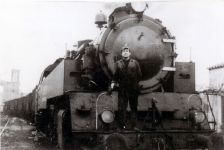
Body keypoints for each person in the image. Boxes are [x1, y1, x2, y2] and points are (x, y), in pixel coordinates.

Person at [109, 45, 142, 130]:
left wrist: (134, 84)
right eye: (124, 51)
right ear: (121, 53)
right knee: (122, 108)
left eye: (127, 51)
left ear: (130, 53)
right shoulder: (118, 63)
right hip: (123, 89)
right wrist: (112, 85)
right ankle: (121, 126)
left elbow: (139, 75)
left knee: (133, 107)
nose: (125, 52)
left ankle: (134, 125)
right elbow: (115, 76)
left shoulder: (135, 63)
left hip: (133, 89)